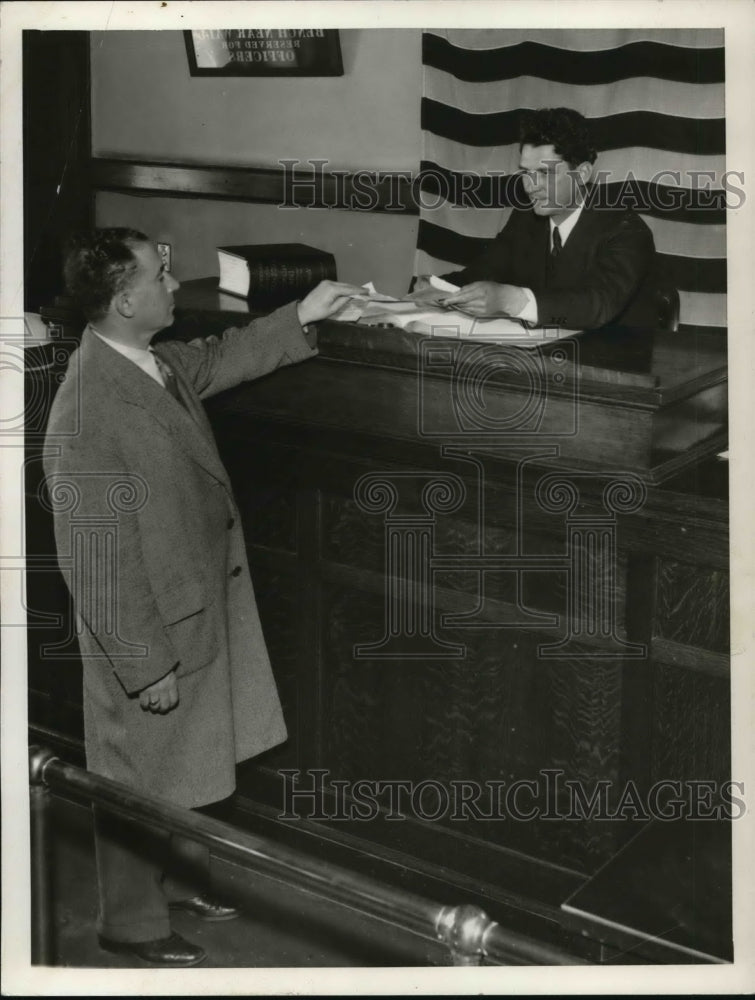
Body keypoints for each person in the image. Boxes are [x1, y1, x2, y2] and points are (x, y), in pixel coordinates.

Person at [43, 228, 363, 967]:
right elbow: (93, 560)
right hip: (147, 628)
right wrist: (142, 663)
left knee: (187, 757)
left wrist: (303, 313)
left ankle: (179, 884)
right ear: (125, 300)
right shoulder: (86, 410)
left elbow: (217, 357)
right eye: (161, 274)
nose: (174, 282)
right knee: (135, 773)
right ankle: (130, 921)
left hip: (188, 605)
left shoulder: (145, 363)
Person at [412, 107, 659, 330]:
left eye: (544, 173)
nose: (531, 187)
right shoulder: (526, 218)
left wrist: (512, 299)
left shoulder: (627, 231)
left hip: (618, 368)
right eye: (526, 173)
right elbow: (483, 272)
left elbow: (598, 305)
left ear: (582, 173)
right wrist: (437, 288)